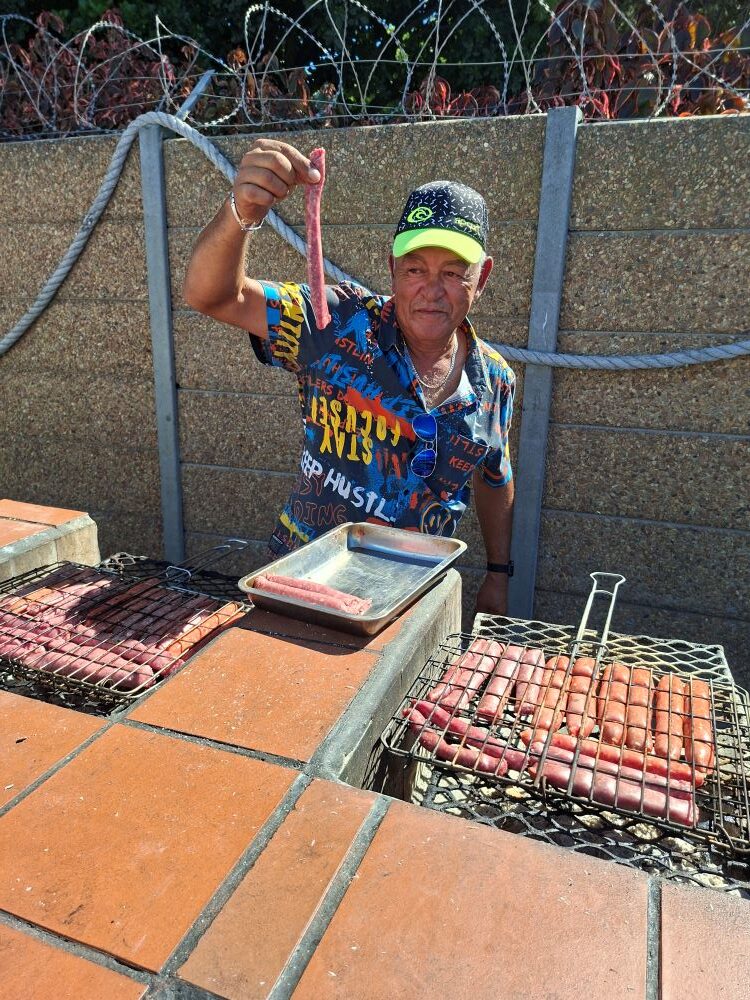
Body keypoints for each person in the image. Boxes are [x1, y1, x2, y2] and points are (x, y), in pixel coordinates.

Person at [183, 138, 516, 614]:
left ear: (480, 279)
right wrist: (243, 211)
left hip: (413, 597)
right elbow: (212, 295)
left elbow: (494, 475)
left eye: (452, 273)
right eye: (415, 268)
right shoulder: (333, 322)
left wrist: (499, 574)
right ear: (392, 269)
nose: (430, 290)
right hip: (303, 585)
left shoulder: (496, 380)